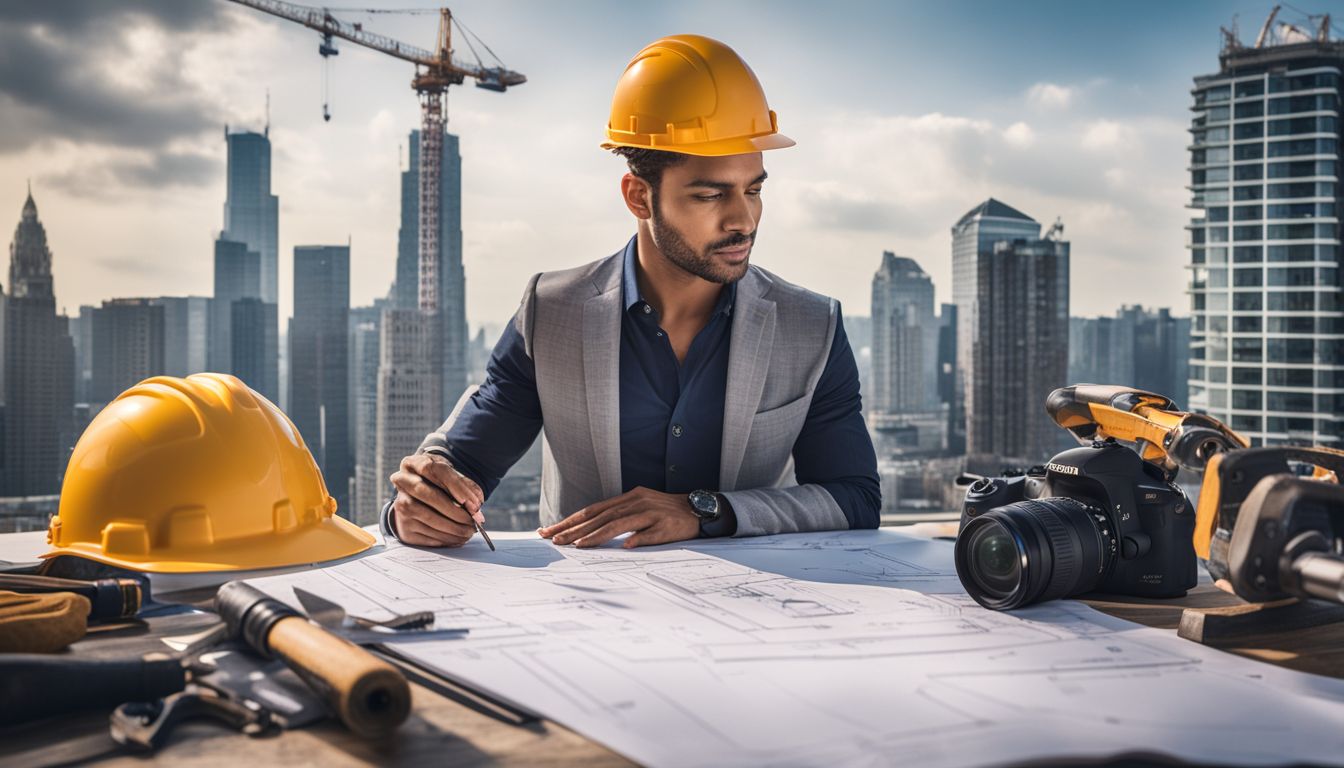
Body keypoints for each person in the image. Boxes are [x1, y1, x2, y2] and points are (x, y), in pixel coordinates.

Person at [381, 34, 879, 549]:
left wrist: (703, 511)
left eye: (753, 190)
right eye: (711, 194)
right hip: (589, 617)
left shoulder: (811, 326)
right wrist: (417, 509)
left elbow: (855, 498)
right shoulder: (551, 313)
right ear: (639, 195)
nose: (743, 219)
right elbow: (459, 464)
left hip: (757, 612)